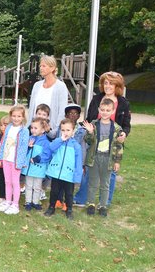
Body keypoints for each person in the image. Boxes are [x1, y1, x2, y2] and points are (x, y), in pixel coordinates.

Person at [74, 71, 131, 206]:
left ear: (117, 86)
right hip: (94, 142)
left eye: (111, 83)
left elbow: (126, 125)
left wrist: (124, 134)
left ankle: (105, 202)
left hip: (112, 144)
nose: (108, 86)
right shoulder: (96, 99)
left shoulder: (123, 103)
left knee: (110, 173)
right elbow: (88, 119)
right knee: (89, 170)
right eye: (105, 83)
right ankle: (82, 199)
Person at [82, 98, 124, 217]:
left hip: (108, 159)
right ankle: (91, 204)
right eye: (103, 110)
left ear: (113, 111)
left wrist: (117, 161)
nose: (105, 112)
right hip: (94, 158)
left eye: (108, 110)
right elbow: (88, 141)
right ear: (99, 110)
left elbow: (119, 146)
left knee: (105, 184)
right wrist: (90, 132)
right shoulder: (94, 124)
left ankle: (103, 205)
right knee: (93, 182)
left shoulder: (116, 128)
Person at [44, 119, 83, 220]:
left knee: (69, 193)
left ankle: (69, 209)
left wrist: (77, 176)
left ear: (73, 131)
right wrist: (60, 140)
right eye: (63, 130)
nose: (65, 132)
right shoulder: (58, 142)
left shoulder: (76, 146)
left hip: (69, 175)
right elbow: (51, 147)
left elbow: (78, 163)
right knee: (54, 191)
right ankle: (51, 207)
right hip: (56, 173)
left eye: (68, 130)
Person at [0, 105, 29, 215]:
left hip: (16, 161)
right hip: (6, 158)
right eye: (14, 116)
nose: (16, 118)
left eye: (19, 116)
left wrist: (20, 162)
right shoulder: (9, 127)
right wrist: (1, 157)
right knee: (7, 181)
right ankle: (8, 201)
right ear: (10, 116)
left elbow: (24, 147)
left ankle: (15, 204)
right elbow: (4, 142)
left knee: (15, 182)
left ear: (23, 117)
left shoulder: (24, 131)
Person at [27, 55, 69, 139]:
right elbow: (31, 108)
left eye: (44, 66)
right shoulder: (37, 85)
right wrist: (28, 126)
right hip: (34, 131)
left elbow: (62, 111)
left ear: (52, 68)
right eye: (40, 66)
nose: (41, 68)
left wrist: (55, 130)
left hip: (50, 132)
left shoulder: (61, 86)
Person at [23, 117, 52, 211]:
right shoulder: (29, 139)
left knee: (37, 186)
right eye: (32, 128)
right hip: (29, 168)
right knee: (28, 185)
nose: (33, 130)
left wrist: (37, 158)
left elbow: (47, 155)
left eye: (36, 128)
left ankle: (35, 202)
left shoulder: (46, 142)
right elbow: (23, 152)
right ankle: (28, 201)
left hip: (39, 169)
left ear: (43, 130)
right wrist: (28, 147)